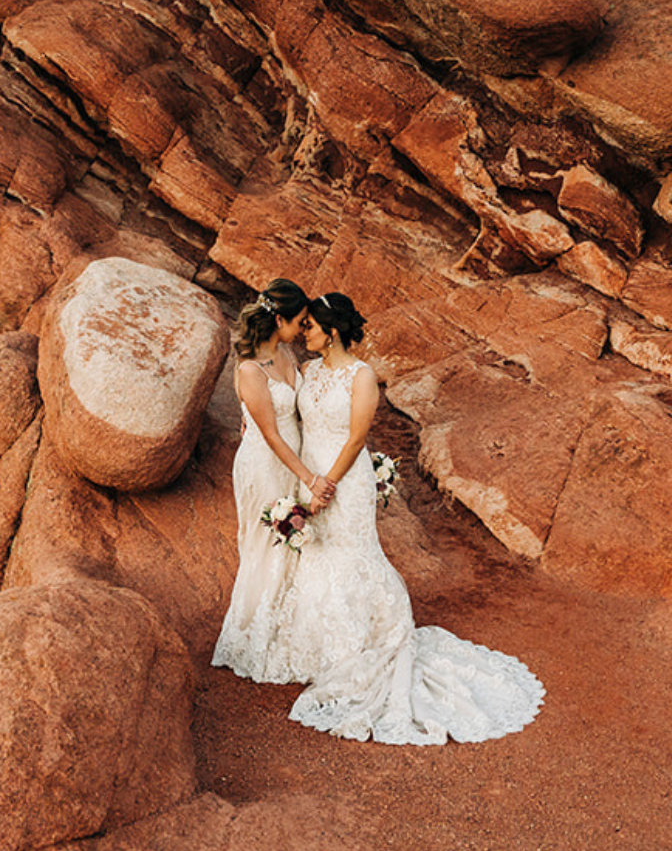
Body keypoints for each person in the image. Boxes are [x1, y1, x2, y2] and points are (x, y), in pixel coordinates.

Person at [278, 291, 545, 744]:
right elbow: (294, 417)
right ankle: (319, 646)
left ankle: (368, 643)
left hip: (344, 479)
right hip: (310, 471)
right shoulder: (308, 370)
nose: (305, 332)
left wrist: (328, 484)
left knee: (354, 553)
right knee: (318, 558)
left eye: (312, 326)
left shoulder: (362, 377)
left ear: (333, 331)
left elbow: (358, 436)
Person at [211, 278, 335, 683]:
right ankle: (255, 637)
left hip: (292, 459)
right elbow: (270, 434)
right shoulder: (249, 369)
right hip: (265, 464)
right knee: (268, 542)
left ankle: (294, 629)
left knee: (295, 543)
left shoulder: (285, 353)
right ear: (278, 318)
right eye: (299, 321)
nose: (303, 329)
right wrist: (310, 478)